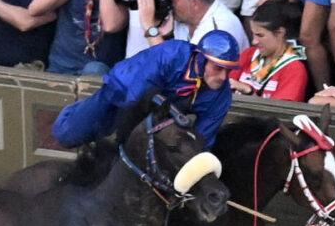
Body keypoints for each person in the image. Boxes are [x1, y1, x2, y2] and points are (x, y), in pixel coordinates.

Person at [50, 31, 238, 150]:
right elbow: (134, 101)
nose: (223, 77)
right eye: (218, 68)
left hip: (162, 115)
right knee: (67, 135)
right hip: (122, 94)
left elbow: (202, 140)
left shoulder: (222, 95)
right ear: (200, 59)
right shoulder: (170, 55)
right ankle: (74, 113)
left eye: (228, 71)